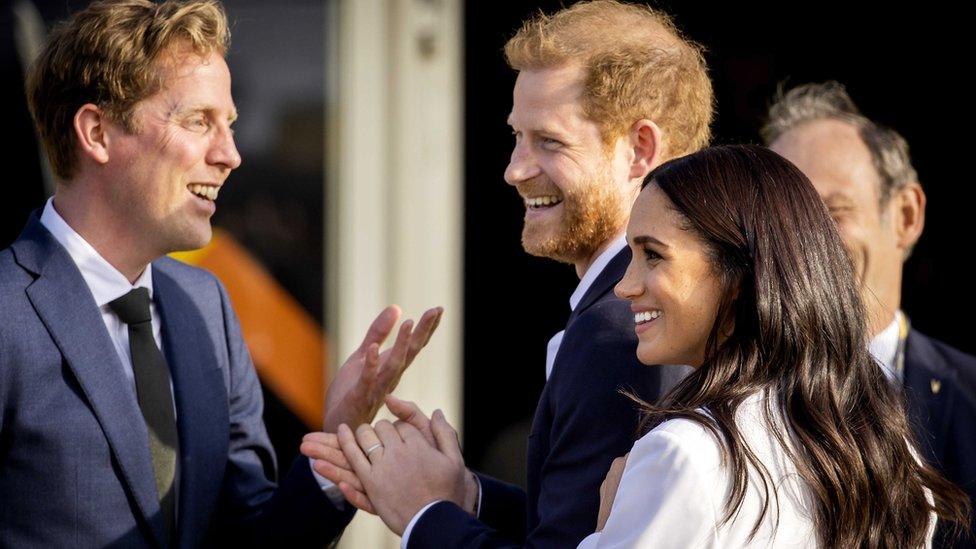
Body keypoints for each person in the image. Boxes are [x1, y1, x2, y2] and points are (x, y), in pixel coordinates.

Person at [0, 1, 440, 546]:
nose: (231, 154)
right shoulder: (7, 312)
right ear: (96, 133)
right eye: (199, 121)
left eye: (229, 124)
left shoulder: (204, 305)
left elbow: (249, 534)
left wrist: (337, 439)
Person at [302, 1, 712, 547]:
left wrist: (423, 513)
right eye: (517, 136)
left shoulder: (620, 328)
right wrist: (464, 496)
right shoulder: (673, 309)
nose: (514, 169)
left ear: (640, 150)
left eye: (549, 141)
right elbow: (577, 527)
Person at [580, 145, 968, 547]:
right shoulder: (890, 457)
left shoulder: (683, 456)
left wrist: (604, 532)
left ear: (739, 275)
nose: (625, 286)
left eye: (654, 255)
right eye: (631, 255)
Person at [763, 81, 976, 547]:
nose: (804, 243)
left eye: (831, 213)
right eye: (783, 222)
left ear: (904, 216)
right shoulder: (716, 399)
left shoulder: (969, 402)